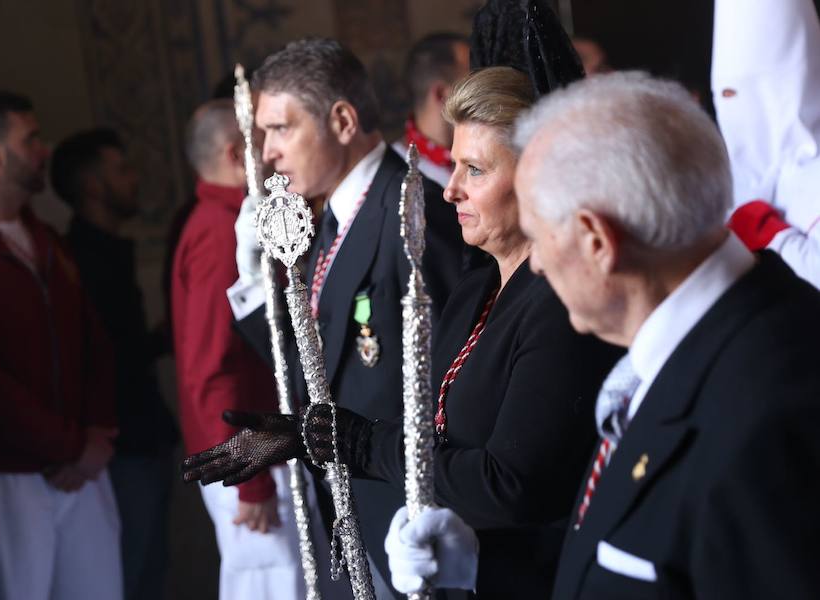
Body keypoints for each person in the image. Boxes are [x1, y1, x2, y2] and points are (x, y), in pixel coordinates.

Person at [182, 66, 623, 599]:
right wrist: (306, 435)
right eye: (454, 166)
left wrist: (359, 442)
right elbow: (420, 408)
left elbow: (513, 485)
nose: (451, 190)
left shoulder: (560, 303)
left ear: (538, 178)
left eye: (475, 170)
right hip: (436, 555)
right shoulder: (477, 284)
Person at [387, 71, 820, 598]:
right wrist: (479, 568)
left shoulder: (769, 409)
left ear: (597, 241)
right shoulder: (674, 356)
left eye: (542, 236)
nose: (538, 264)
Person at [213, 38, 466, 598]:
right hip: (357, 505)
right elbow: (319, 366)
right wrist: (256, 286)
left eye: (281, 129)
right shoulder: (332, 219)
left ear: (344, 120)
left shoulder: (412, 215)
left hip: (409, 514)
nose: (268, 153)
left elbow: (454, 383)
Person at [0, 91, 122, 599]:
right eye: (30, 139)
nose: (42, 150)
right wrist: (67, 445)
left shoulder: (47, 240)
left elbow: (92, 342)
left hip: (81, 467)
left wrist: (94, 433)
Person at [174, 99, 345, 600]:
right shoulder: (217, 232)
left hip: (261, 453)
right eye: (263, 140)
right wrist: (248, 480)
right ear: (234, 154)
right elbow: (212, 365)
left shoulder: (229, 219)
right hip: (250, 462)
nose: (275, 152)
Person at [50, 128, 179, 600]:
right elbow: (103, 357)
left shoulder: (105, 253)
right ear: (93, 187)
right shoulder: (78, 261)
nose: (134, 179)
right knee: (130, 571)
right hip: (122, 446)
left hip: (141, 436)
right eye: (121, 170)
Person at [714, 0, 820, 288]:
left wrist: (773, 235)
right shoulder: (733, 179)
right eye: (725, 96)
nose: (735, 110)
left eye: (743, 94)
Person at [393, 32, 471, 188]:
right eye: (470, 84)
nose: (482, 93)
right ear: (442, 94)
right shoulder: (393, 172)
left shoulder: (488, 153)